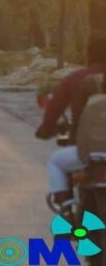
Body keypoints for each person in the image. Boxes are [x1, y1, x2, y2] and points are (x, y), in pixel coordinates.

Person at [36, 36, 106, 214]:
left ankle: (66, 211)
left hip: (86, 152)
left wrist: (46, 130)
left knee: (55, 163)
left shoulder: (76, 79)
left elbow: (54, 110)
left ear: (88, 55)